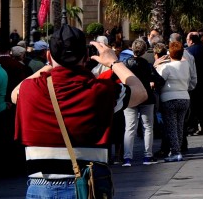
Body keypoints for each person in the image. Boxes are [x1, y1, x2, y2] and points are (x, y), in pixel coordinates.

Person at [13, 24, 147, 198]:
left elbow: (15, 93)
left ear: (48, 55)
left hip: (41, 187)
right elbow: (140, 92)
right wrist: (113, 62)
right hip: (86, 186)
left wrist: (51, 64)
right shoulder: (99, 90)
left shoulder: (31, 89)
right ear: (86, 57)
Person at [122, 39, 164, 166]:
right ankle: (147, 155)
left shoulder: (126, 64)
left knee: (129, 127)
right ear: (144, 51)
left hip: (130, 97)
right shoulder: (147, 64)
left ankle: (127, 157)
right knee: (148, 126)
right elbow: (159, 80)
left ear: (132, 49)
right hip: (146, 96)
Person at [155, 40, 192, 162]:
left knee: (171, 127)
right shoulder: (185, 65)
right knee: (180, 126)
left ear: (170, 53)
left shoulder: (167, 67)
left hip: (169, 99)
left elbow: (158, 81)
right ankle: (178, 150)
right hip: (184, 97)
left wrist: (156, 65)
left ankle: (175, 152)